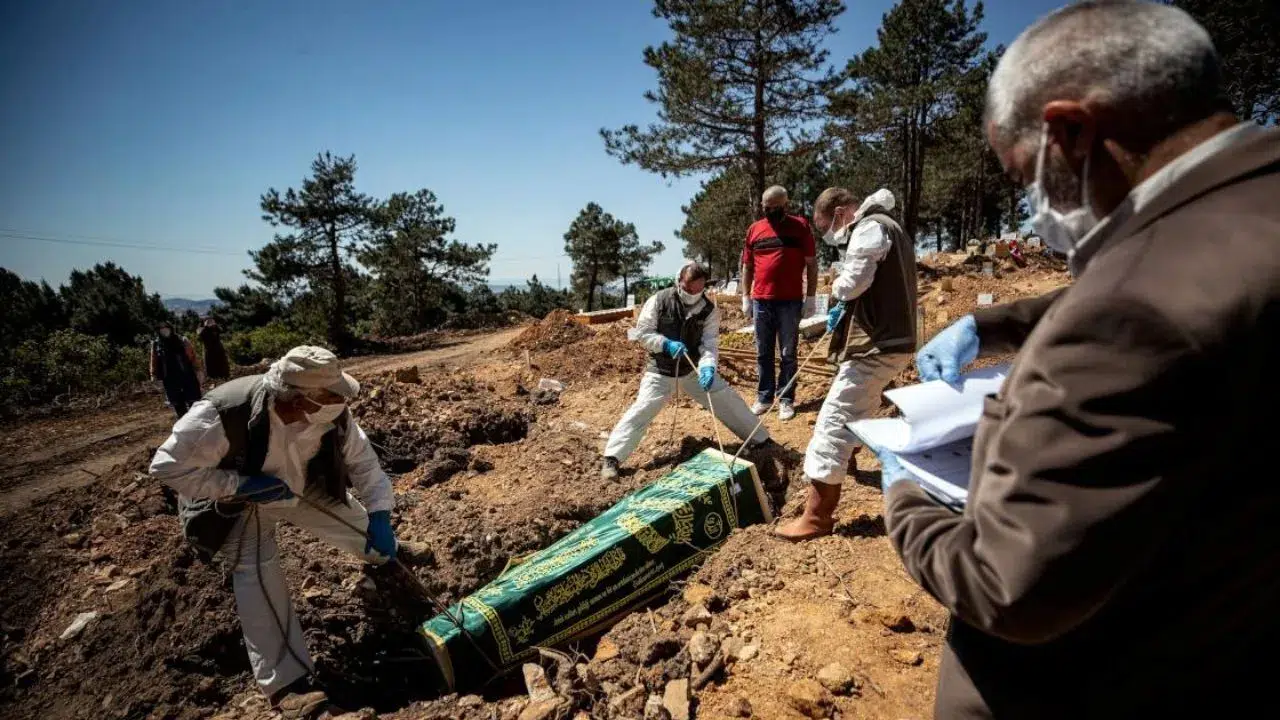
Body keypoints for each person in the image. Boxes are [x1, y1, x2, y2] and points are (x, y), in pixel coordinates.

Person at [872, 3, 1280, 716]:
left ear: (1071, 132)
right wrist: (992, 324)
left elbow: (1008, 587)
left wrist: (905, 493)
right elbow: (1175, 281)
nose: (1031, 203)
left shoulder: (1129, 313)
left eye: (1023, 175)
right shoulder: (1248, 205)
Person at [149, 346, 397, 717]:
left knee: (366, 532)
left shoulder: (333, 414)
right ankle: (287, 684)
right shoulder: (222, 414)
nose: (340, 401)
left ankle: (386, 559)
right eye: (330, 396)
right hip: (243, 502)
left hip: (302, 485)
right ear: (298, 400)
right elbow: (167, 466)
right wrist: (238, 485)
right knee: (257, 571)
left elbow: (363, 463)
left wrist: (380, 513)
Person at [774, 188, 917, 541]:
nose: (828, 235)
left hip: (877, 342)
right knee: (859, 406)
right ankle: (848, 460)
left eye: (826, 227)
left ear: (840, 213)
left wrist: (837, 291)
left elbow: (853, 283)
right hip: (892, 340)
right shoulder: (890, 226)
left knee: (832, 422)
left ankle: (817, 516)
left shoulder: (868, 228)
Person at [601, 262, 772, 480]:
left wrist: (708, 366)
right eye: (688, 289)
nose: (692, 295)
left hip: (692, 371)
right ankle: (612, 458)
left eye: (697, 290)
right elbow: (643, 333)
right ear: (679, 282)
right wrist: (665, 344)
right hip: (661, 370)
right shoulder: (659, 301)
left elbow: (709, 344)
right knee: (642, 408)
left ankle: (761, 439)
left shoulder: (709, 311)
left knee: (728, 400)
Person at [740, 185, 817, 421]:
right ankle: (764, 397)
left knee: (788, 353)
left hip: (790, 301)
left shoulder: (800, 227)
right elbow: (747, 266)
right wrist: (745, 296)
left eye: (775, 207)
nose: (770, 211)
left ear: (786, 205)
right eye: (767, 207)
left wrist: (811, 297)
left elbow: (811, 264)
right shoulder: (755, 230)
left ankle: (786, 398)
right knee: (763, 352)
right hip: (761, 301)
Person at [150, 320, 203, 418]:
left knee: (194, 402)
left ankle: (198, 423)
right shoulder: (156, 344)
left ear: (171, 328)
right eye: (161, 328)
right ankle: (184, 424)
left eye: (166, 327)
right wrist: (153, 375)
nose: (164, 330)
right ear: (158, 330)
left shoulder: (182, 340)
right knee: (178, 405)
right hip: (169, 378)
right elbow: (154, 360)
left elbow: (193, 356)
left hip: (187, 375)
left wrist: (199, 370)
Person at [197, 316, 231, 383]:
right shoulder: (202, 329)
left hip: (218, 350)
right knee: (212, 368)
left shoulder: (215, 328)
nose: (210, 322)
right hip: (209, 352)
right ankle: (216, 380)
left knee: (222, 366)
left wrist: (214, 325)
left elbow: (220, 330)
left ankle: (224, 378)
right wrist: (206, 326)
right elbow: (200, 334)